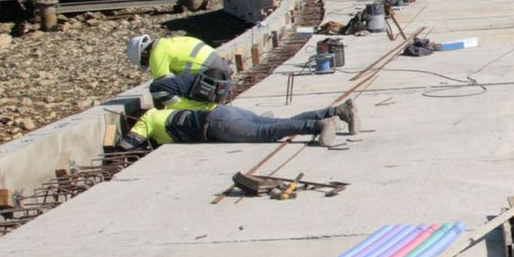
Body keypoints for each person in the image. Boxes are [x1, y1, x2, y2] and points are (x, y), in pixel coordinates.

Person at [120, 99, 357, 149]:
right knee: (279, 122)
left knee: (267, 132)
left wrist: (117, 146)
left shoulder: (147, 118)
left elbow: (130, 144)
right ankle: (336, 110)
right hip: (222, 111)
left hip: (215, 127)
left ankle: (319, 125)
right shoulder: (165, 112)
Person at [127, 34, 233, 110]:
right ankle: (203, 105)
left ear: (145, 53)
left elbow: (160, 86)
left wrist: (158, 112)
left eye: (145, 61)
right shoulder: (172, 42)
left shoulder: (156, 53)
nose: (148, 64)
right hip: (223, 83)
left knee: (156, 88)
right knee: (175, 84)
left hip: (213, 83)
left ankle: (201, 109)